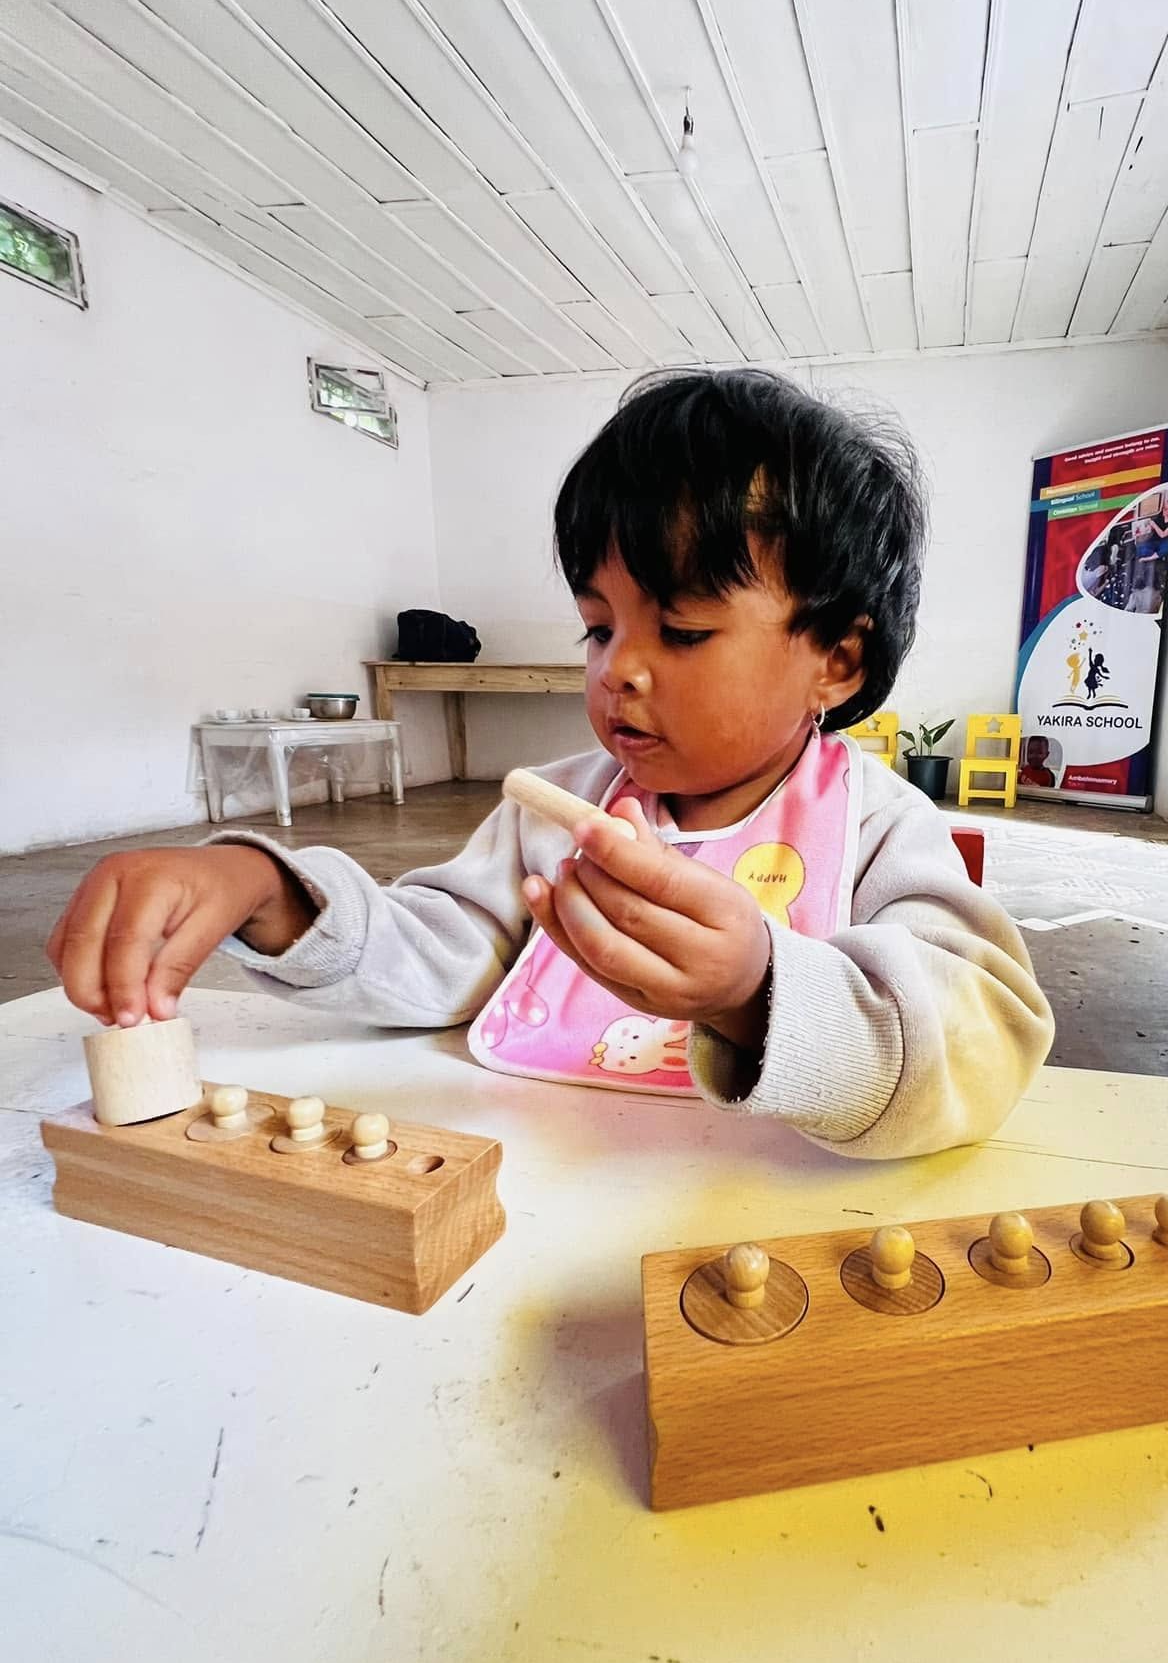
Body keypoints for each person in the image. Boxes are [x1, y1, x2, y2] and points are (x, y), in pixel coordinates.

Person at [48, 370, 1053, 1161]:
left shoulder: (877, 827)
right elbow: (450, 947)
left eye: (685, 629)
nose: (621, 671)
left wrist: (757, 990)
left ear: (836, 658)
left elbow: (981, 1037)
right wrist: (272, 891)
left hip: (774, 1213)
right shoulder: (563, 810)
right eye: (598, 627)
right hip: (531, 1179)